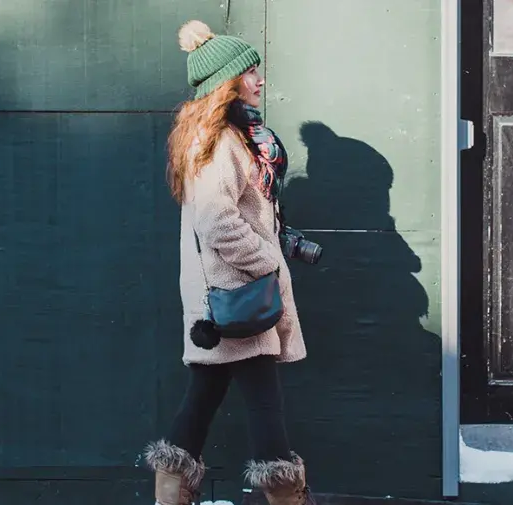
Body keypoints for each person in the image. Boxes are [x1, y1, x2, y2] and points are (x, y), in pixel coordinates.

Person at [141, 19, 312, 505]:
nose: (259, 80)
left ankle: (169, 494)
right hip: (238, 293)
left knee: (204, 396)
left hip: (225, 297)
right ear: (226, 82)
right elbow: (216, 222)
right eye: (250, 72)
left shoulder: (229, 137)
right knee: (264, 404)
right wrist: (268, 263)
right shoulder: (220, 142)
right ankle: (287, 497)